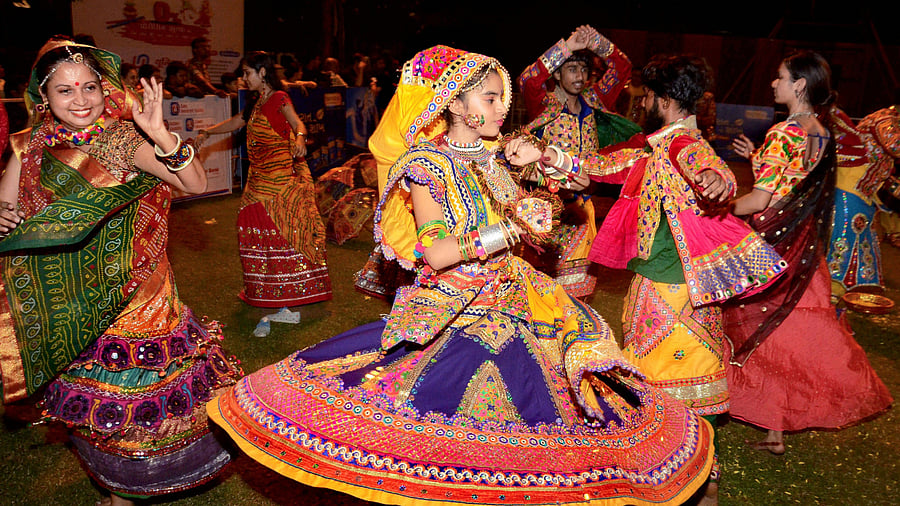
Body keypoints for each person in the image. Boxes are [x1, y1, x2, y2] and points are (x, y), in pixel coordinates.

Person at [206, 45, 716, 506]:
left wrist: (543, 163)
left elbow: (579, 179)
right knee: (455, 414)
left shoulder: (496, 156)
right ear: (454, 104)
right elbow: (438, 253)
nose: (501, 109)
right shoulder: (425, 165)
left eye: (501, 100)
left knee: (557, 411)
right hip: (456, 302)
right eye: (490, 99)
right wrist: (509, 229)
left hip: (518, 295)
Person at [0, 37, 241, 506]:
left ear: (104, 88)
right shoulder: (28, 147)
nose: (81, 100)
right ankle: (117, 490)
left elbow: (191, 182)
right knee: (90, 402)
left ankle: (139, 484)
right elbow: (7, 203)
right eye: (66, 91)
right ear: (44, 98)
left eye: (89, 87)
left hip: (136, 296)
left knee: (136, 396)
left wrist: (162, 135)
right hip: (66, 298)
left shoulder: (119, 141)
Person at [583, 54, 786, 503]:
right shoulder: (655, 145)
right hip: (670, 285)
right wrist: (546, 155)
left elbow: (708, 169)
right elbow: (602, 168)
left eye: (647, 95)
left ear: (666, 99)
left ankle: (681, 477)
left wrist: (718, 182)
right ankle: (697, 480)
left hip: (672, 291)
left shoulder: (681, 145)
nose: (642, 102)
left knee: (672, 387)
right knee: (685, 383)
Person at [727, 50, 892, 455]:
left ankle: (757, 417)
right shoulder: (819, 130)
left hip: (772, 248)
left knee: (763, 331)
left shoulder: (785, 133)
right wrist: (757, 158)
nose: (773, 83)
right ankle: (776, 431)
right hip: (803, 248)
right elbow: (792, 184)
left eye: (779, 76)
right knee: (785, 335)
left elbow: (761, 199)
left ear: (799, 84)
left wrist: (713, 202)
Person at [196, 51, 332, 307]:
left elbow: (297, 123)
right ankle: (266, 288)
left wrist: (301, 139)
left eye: (247, 73)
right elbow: (238, 121)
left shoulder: (279, 98)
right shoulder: (257, 100)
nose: (243, 78)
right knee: (254, 225)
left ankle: (295, 287)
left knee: (281, 228)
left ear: (262, 72)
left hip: (279, 179)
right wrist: (208, 131)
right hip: (258, 177)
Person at [518, 25, 639, 298]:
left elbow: (622, 68)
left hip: (582, 206)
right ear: (557, 73)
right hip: (544, 206)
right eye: (572, 69)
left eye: (584, 70)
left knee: (579, 289)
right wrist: (567, 47)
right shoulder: (544, 104)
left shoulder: (594, 100)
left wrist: (597, 42)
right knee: (540, 287)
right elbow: (528, 79)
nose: (580, 76)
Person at [827, 101, 900, 296]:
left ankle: (858, 282)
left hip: (865, 190)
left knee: (864, 235)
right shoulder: (885, 120)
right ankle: (832, 284)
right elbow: (896, 146)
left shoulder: (894, 121)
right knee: (845, 233)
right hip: (849, 185)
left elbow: (884, 170)